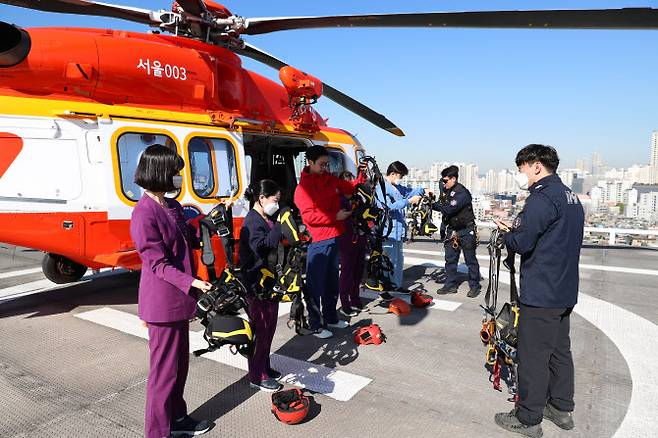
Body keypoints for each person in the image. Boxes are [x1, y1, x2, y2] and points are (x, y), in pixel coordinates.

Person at [493, 144, 584, 437]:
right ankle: (560, 408)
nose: (521, 175)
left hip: (542, 291)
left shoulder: (541, 199)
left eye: (522, 168)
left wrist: (509, 234)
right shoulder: (571, 197)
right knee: (559, 352)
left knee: (532, 356)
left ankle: (528, 418)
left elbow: (523, 243)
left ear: (535, 166)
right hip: (564, 289)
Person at [130, 144, 212, 438]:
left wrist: (205, 223)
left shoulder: (173, 206)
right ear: (160, 172)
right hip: (162, 304)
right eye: (176, 172)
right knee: (163, 374)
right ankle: (157, 432)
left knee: (180, 367)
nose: (179, 177)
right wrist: (192, 282)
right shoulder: (143, 214)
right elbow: (157, 264)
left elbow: (186, 237)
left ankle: (177, 418)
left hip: (180, 300)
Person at [294, 145, 363, 339]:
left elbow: (348, 188)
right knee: (316, 285)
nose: (325, 168)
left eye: (327, 164)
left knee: (332, 282)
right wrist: (335, 216)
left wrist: (362, 176)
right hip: (319, 241)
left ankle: (331, 317)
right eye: (322, 164)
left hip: (334, 237)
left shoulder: (330, 179)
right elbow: (310, 217)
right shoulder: (303, 189)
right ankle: (315, 324)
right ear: (310, 163)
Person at [238, 179, 285, 392]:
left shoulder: (265, 217)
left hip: (268, 283)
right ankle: (258, 375)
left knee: (269, 328)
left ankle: (265, 366)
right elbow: (263, 246)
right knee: (260, 329)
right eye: (275, 200)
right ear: (262, 198)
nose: (276, 204)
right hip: (256, 285)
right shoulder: (252, 221)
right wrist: (281, 225)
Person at [432, 165, 481, 298]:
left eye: (446, 180)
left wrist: (431, 204)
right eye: (442, 181)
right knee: (450, 259)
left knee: (470, 260)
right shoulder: (447, 189)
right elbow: (442, 202)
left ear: (454, 179)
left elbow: (449, 209)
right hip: (452, 230)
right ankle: (450, 285)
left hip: (466, 230)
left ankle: (475, 285)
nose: (443, 183)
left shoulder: (462, 193)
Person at [376, 161, 423, 299]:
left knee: (397, 261)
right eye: (400, 176)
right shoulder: (382, 188)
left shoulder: (396, 187)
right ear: (393, 174)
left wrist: (421, 191)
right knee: (386, 261)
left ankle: (395, 286)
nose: (401, 179)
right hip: (387, 231)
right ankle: (384, 289)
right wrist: (408, 201)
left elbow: (409, 192)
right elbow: (387, 206)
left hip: (397, 231)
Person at [337, 170, 368, 316]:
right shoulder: (339, 200)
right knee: (347, 271)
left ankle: (355, 298)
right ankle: (345, 303)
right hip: (346, 240)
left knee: (358, 270)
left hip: (360, 238)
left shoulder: (358, 198)